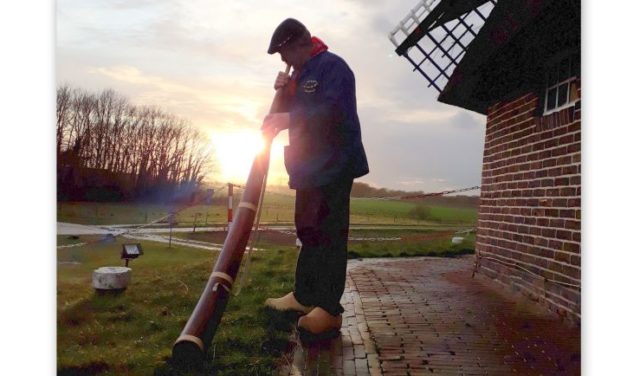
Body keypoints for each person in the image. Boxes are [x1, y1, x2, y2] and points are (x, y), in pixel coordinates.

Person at [262, 18, 369, 336]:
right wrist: (282, 93)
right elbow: (290, 113)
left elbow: (332, 112)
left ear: (299, 44)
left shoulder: (334, 68)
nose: (283, 61)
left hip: (334, 166)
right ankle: (304, 296)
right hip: (307, 168)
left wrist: (289, 116)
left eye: (284, 54)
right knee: (307, 231)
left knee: (330, 234)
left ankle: (329, 310)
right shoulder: (300, 75)